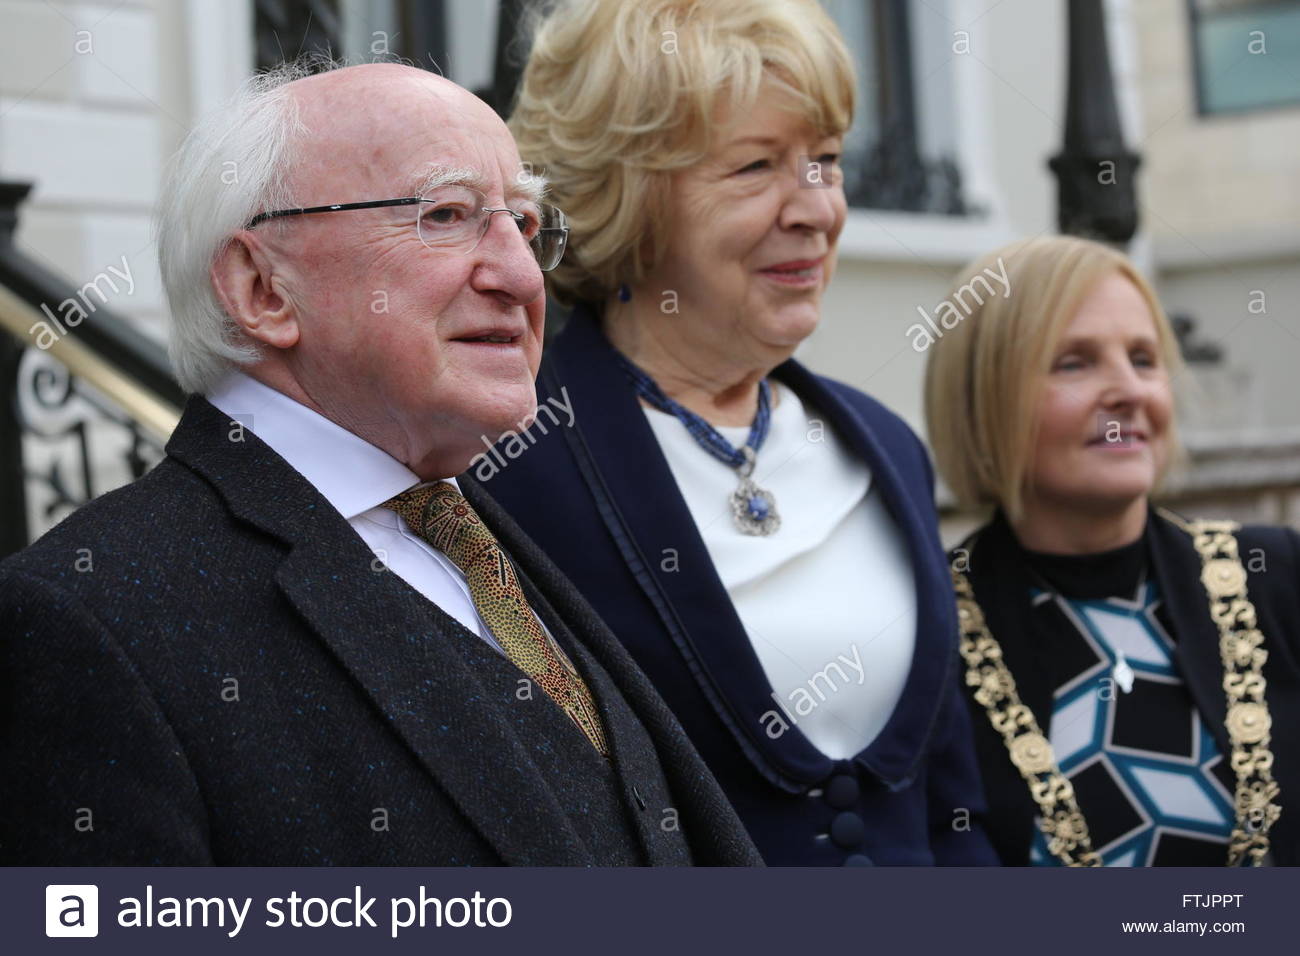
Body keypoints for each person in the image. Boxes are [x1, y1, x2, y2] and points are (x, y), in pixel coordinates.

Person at [0, 61, 762, 867]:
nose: (518, 276)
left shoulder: (477, 534)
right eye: (445, 215)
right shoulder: (86, 623)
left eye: (526, 226)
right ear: (262, 288)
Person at [479, 0, 996, 866]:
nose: (815, 210)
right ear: (629, 193)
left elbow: (954, 808)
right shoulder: (511, 462)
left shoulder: (886, 443)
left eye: (825, 162)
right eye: (757, 166)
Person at [925, 234, 1299, 866]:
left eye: (1144, 359)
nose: (1129, 391)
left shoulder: (1275, 577)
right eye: (1074, 362)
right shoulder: (929, 627)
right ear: (985, 398)